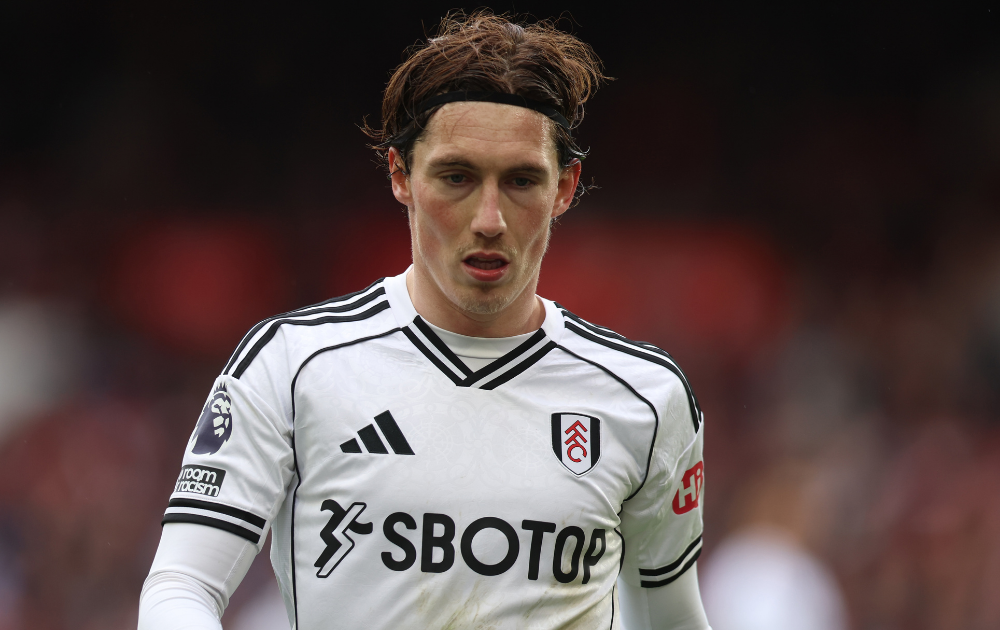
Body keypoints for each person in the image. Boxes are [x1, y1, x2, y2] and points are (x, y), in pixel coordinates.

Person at [138, 12, 711, 630]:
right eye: (457, 177)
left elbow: (672, 620)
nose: (489, 219)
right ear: (401, 175)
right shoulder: (293, 366)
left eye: (521, 180)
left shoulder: (646, 399)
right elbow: (182, 584)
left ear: (565, 187)